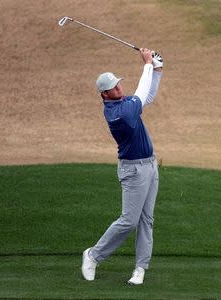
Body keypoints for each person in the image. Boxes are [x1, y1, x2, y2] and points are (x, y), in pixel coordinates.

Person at [81, 48, 163, 285]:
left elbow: (146, 96)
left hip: (150, 165)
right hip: (133, 171)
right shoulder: (118, 113)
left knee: (147, 220)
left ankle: (140, 269)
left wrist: (157, 70)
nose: (119, 88)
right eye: (114, 88)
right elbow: (140, 92)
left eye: (119, 84)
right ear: (105, 94)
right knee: (129, 220)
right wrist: (147, 64)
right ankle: (93, 255)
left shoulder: (126, 103)